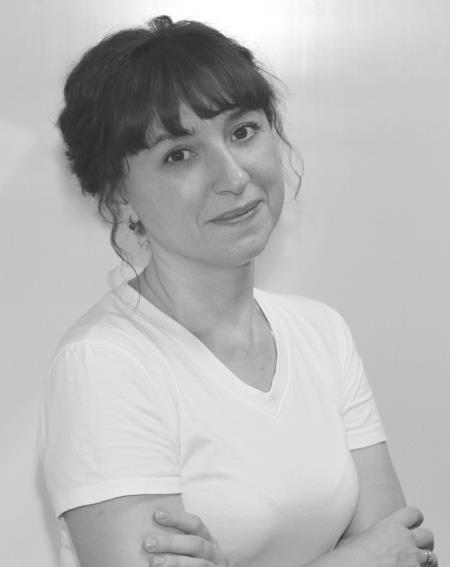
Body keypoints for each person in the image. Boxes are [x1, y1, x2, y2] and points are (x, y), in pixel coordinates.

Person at [38, 15, 437, 567]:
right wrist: (357, 556)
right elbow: (383, 551)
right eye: (179, 154)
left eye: (243, 131)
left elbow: (406, 552)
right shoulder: (104, 365)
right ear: (119, 195)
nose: (233, 176)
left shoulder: (321, 333)